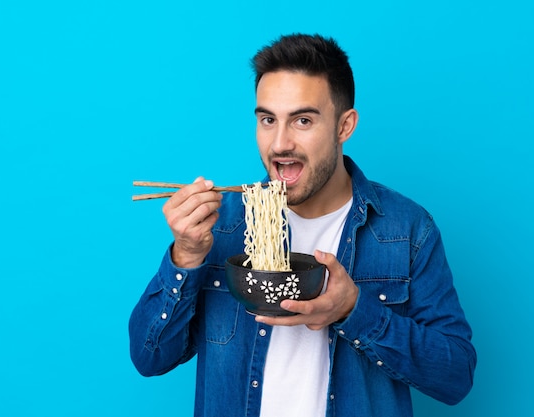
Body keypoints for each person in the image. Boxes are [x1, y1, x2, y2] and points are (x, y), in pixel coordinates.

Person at [129, 33, 476, 417]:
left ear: (344, 126)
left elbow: (455, 376)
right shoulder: (224, 224)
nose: (280, 144)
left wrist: (354, 310)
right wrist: (186, 256)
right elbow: (150, 357)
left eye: (303, 120)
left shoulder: (406, 229)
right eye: (267, 120)